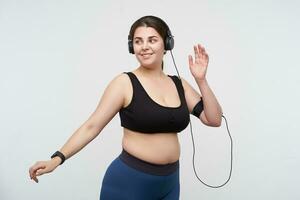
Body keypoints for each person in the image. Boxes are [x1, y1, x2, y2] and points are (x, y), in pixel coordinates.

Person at [29, 15, 223, 200]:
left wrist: (201, 80)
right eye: (138, 41)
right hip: (129, 183)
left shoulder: (179, 84)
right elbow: (92, 126)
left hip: (170, 183)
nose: (144, 47)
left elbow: (213, 119)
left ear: (167, 44)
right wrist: (57, 159)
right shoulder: (124, 83)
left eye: (152, 40)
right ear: (132, 46)